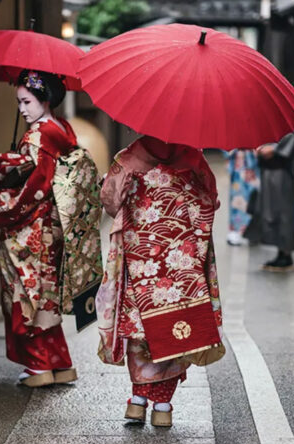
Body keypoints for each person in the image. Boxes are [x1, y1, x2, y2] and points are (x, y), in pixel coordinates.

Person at [96, 136, 225, 427]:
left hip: (141, 260)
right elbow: (210, 202)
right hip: (180, 266)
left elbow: (110, 200)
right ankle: (163, 405)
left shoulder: (129, 158)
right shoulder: (193, 158)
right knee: (176, 327)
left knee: (141, 327)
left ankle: (138, 401)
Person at [0, 70, 81, 387]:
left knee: (26, 292)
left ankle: (39, 366)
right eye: (19, 102)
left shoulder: (39, 135)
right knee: (44, 292)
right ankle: (60, 363)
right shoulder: (61, 128)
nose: (22, 109)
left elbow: (37, 185)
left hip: (33, 224)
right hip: (54, 222)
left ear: (45, 99)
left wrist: (2, 199)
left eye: (27, 101)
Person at [247, 125, 294, 271]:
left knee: (284, 212)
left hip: (281, 170)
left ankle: (286, 254)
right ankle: (281, 252)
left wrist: (274, 150)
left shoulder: (293, 118)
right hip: (270, 169)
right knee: (272, 211)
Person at [225, 149, 260, 246]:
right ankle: (236, 231)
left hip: (254, 164)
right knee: (237, 200)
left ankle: (253, 231)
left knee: (254, 198)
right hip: (238, 162)